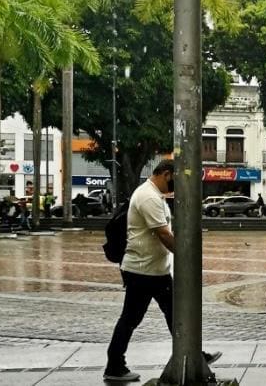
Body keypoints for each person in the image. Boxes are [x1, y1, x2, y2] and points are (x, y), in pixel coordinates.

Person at [105, 161, 220, 382]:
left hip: (154, 270)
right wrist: (188, 259)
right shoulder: (148, 197)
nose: (175, 186)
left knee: (175, 315)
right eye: (174, 180)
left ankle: (194, 354)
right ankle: (114, 365)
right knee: (131, 318)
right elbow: (164, 235)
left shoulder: (154, 195)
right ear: (166, 174)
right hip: (142, 271)